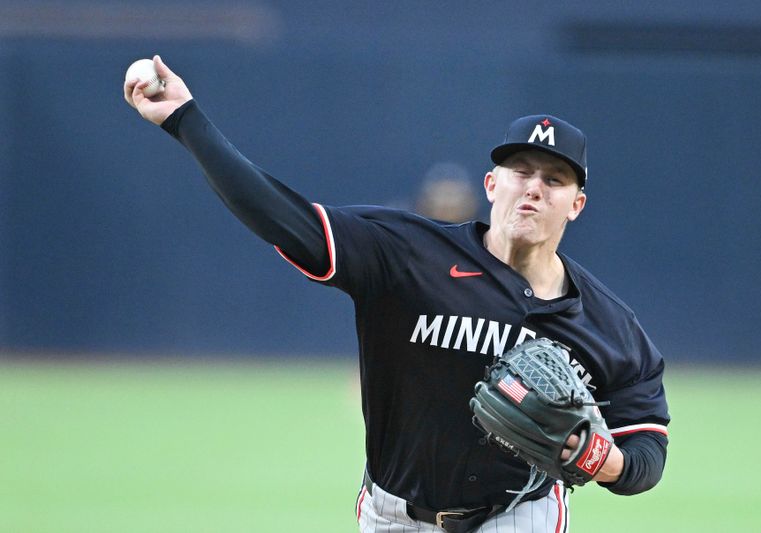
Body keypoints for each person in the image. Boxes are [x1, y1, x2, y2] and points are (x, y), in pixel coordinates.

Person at [125, 56, 670, 533]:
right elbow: (280, 216)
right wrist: (185, 120)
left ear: (576, 204)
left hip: (519, 513)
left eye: (554, 180)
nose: (533, 187)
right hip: (393, 514)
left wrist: (601, 458)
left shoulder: (606, 323)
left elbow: (647, 452)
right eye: (520, 171)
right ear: (491, 185)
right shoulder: (408, 254)